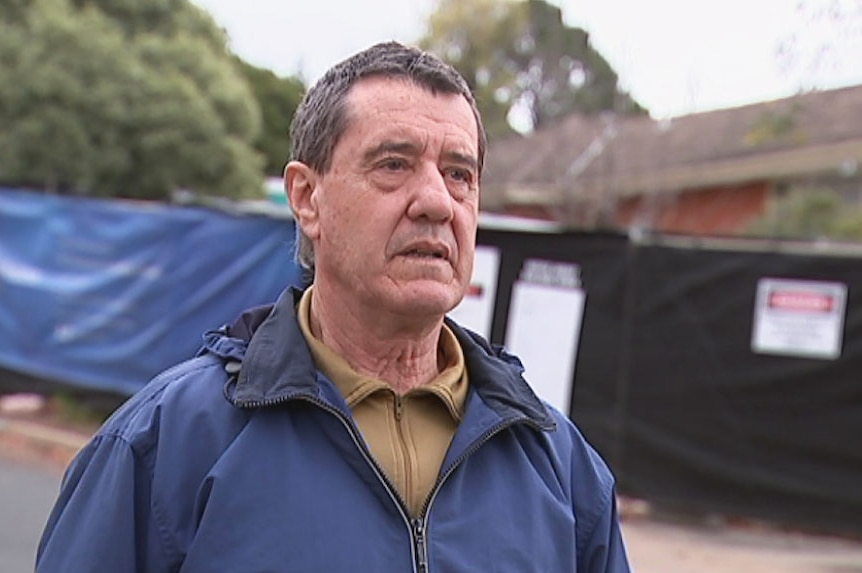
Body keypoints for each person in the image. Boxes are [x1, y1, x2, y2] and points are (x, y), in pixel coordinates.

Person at [36, 41, 631, 572]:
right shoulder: (164, 444)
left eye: (459, 174)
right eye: (394, 164)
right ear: (307, 197)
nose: (436, 201)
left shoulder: (564, 470)